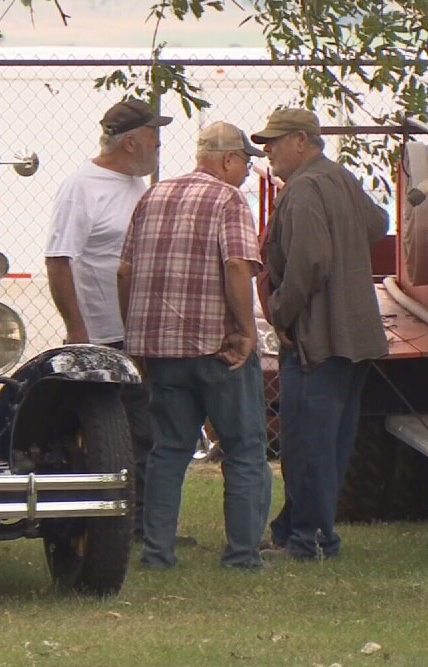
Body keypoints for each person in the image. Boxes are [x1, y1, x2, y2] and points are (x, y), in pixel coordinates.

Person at [118, 121, 273, 570]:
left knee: (168, 451)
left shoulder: (153, 196)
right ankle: (242, 557)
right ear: (227, 159)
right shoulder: (228, 199)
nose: (246, 172)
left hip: (161, 353)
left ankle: (156, 553)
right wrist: (246, 332)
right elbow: (238, 267)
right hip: (217, 349)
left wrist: (136, 338)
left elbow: (124, 273)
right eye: (244, 161)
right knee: (244, 450)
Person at [251, 108, 389, 562]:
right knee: (331, 441)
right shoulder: (339, 178)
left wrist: (279, 312)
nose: (267, 150)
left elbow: (309, 263)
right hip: (356, 333)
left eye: (274, 141)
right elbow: (378, 223)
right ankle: (300, 532)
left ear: (301, 140)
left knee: (307, 443)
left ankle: (309, 540)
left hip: (319, 337)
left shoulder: (305, 188)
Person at [44, 98, 170, 542]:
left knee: (148, 426)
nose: (159, 145)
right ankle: (126, 524)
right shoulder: (83, 186)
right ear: (132, 142)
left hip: (138, 331)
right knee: (124, 430)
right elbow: (59, 259)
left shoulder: (137, 185)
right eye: (154, 136)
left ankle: (144, 522)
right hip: (103, 334)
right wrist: (78, 331)